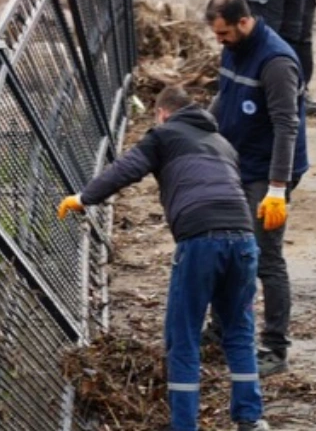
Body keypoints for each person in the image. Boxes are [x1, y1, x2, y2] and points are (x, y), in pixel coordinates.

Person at [57, 86, 270, 431]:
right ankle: (251, 418)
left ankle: (185, 425)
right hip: (244, 238)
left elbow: (127, 168)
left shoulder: (164, 134)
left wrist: (84, 198)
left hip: (201, 240)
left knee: (182, 336)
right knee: (239, 330)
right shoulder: (223, 144)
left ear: (162, 113)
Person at [203, 0, 308, 377]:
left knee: (265, 256)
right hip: (240, 161)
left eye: (224, 33)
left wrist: (278, 187)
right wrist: (200, 126)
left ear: (244, 23)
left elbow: (287, 126)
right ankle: (220, 329)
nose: (220, 40)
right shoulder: (232, 49)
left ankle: (276, 349)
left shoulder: (276, 62)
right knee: (228, 245)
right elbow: (226, 96)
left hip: (269, 171)